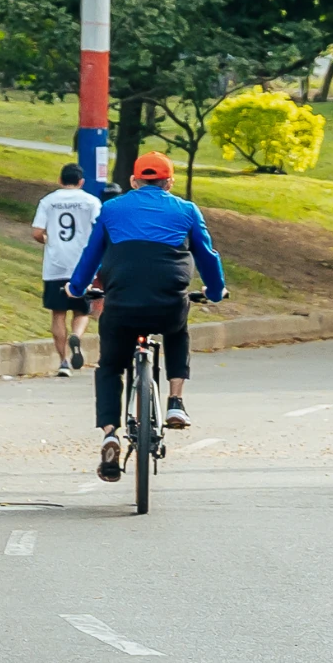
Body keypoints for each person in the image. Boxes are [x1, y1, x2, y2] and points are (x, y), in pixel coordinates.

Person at [66, 152, 226, 482]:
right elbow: (207, 256)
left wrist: (77, 287)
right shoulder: (186, 210)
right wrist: (213, 291)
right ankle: (176, 402)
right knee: (178, 330)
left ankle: (110, 432)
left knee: (110, 365)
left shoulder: (111, 209)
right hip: (168, 304)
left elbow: (91, 254)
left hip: (121, 303)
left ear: (133, 181)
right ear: (169, 182)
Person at [32, 162, 101, 374]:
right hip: (83, 265)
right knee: (82, 310)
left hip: (55, 265)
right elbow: (100, 230)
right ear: (81, 181)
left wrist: (49, 241)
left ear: (60, 180)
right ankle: (77, 337)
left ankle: (63, 362)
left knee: (58, 313)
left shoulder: (48, 201)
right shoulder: (91, 202)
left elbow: (36, 232)